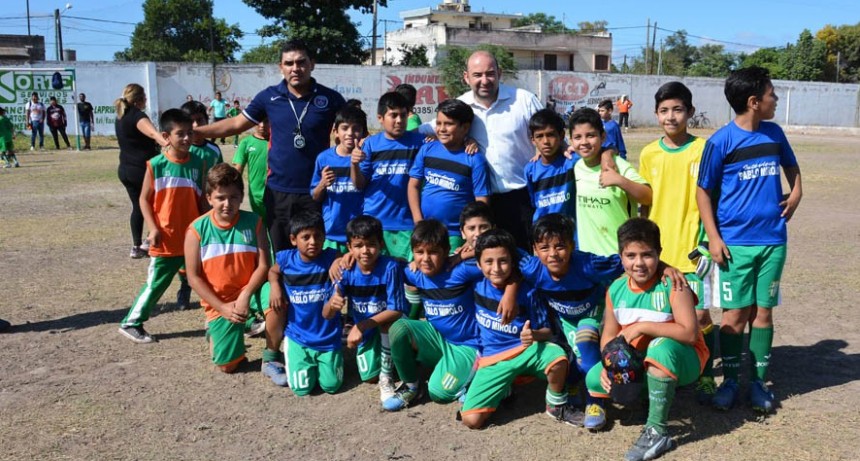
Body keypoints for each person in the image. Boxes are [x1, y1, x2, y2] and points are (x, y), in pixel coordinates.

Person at [696, 66, 802, 414]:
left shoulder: (774, 133)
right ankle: (729, 383)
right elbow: (703, 192)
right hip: (735, 244)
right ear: (754, 101)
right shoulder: (720, 142)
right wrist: (713, 237)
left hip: (773, 240)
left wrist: (797, 192)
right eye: (772, 94)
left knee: (764, 312)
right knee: (733, 316)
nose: (776, 99)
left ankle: (757, 383)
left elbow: (792, 168)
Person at [193, 40, 345, 254]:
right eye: (289, 63)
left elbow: (352, 130)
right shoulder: (269, 97)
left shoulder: (330, 98)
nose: (295, 68)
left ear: (312, 64)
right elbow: (236, 124)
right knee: (281, 254)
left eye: (301, 62)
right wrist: (198, 132)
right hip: (278, 192)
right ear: (280, 67)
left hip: (317, 190)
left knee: (314, 254)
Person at [585, 218, 706, 461]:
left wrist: (643, 327)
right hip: (639, 359)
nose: (639, 263)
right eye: (630, 255)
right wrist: (610, 364)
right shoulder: (616, 289)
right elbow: (609, 335)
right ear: (621, 257)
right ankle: (647, 396)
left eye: (647, 255)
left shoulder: (672, 283)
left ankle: (657, 431)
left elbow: (690, 333)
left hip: (685, 358)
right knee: (593, 378)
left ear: (659, 254)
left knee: (659, 348)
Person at [638, 81, 717, 405]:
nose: (671, 116)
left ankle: (707, 373)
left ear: (690, 112)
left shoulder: (704, 150)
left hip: (693, 251)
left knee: (700, 317)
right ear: (657, 114)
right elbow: (645, 203)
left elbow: (714, 197)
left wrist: (709, 239)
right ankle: (674, 366)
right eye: (664, 110)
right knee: (669, 318)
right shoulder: (648, 153)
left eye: (678, 109)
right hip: (661, 253)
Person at [419, 51, 542, 250]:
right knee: (487, 263)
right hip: (480, 201)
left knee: (523, 258)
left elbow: (551, 131)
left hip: (521, 198)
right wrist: (372, 141)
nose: (484, 80)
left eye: (490, 73)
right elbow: (428, 129)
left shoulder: (523, 100)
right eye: (477, 75)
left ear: (499, 73)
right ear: (466, 77)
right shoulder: (461, 106)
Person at [460, 229, 579, 429]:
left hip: (526, 350)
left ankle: (556, 404)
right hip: (493, 358)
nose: (496, 268)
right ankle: (504, 388)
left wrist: (533, 335)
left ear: (513, 263)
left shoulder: (528, 291)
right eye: (489, 262)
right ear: (478, 264)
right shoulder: (474, 283)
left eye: (503, 261)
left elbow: (548, 331)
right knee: (471, 421)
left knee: (557, 357)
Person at [184, 163, 286, 376]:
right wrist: (221, 307)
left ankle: (271, 357)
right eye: (220, 197)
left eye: (233, 197)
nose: (227, 203)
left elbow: (263, 265)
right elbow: (193, 278)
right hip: (220, 300)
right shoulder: (196, 230)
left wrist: (246, 295)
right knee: (227, 366)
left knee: (276, 300)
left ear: (241, 196)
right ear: (209, 198)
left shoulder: (254, 222)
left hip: (252, 291)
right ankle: (219, 329)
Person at [118, 109, 207, 344]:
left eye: (190, 133)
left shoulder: (198, 162)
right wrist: (153, 229)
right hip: (166, 239)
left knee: (212, 278)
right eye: (181, 134)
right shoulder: (155, 165)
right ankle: (131, 322)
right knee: (157, 284)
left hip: (192, 237)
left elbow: (202, 200)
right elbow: (144, 200)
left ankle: (234, 318)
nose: (187, 138)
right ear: (166, 136)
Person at [382, 219, 485, 411]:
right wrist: (341, 259)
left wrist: (464, 255)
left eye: (433, 252)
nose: (426, 259)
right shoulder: (415, 273)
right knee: (398, 328)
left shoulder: (461, 271)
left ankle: (479, 377)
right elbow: (383, 264)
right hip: (436, 337)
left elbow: (500, 256)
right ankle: (411, 386)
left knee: (439, 393)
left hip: (467, 345)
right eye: (420, 252)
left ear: (446, 252)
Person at [325, 216, 408, 402]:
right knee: (369, 377)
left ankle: (386, 377)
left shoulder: (390, 267)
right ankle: (388, 359)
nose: (365, 251)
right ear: (349, 247)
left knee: (388, 322)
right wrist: (333, 304)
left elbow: (395, 310)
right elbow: (327, 313)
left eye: (371, 244)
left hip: (389, 323)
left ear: (381, 244)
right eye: (358, 245)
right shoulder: (345, 269)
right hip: (367, 329)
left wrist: (360, 326)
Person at [268, 212, 343, 396]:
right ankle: (293, 352)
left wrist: (339, 260)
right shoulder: (286, 259)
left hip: (328, 336)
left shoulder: (331, 257)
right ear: (294, 240)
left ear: (324, 237)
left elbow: (348, 259)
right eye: (306, 237)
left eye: (318, 236)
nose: (313, 242)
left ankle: (325, 361)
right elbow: (272, 271)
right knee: (301, 390)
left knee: (331, 386)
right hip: (298, 336)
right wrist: (275, 286)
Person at [407, 99, 490, 249]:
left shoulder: (474, 159)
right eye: (438, 124)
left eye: (449, 124)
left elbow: (481, 200)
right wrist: (418, 222)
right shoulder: (427, 150)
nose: (442, 129)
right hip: (426, 230)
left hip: (455, 235)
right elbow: (413, 186)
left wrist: (471, 236)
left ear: (465, 127)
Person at [352, 92, 425, 260]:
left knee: (408, 277)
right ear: (380, 118)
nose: (399, 120)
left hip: (407, 223)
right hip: (375, 222)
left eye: (403, 115)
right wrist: (354, 164)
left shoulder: (419, 142)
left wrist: (467, 142)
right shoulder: (370, 144)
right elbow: (359, 184)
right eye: (393, 115)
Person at [570, 108, 651, 256]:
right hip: (588, 258)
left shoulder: (618, 166)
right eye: (577, 137)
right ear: (571, 141)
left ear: (603, 137)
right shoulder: (576, 166)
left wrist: (619, 180)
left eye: (590, 136)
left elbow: (647, 196)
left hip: (620, 257)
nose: (584, 142)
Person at [115, 83, 170, 259]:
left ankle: (136, 246)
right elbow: (154, 134)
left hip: (125, 169)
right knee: (154, 204)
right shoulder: (137, 116)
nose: (146, 100)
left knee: (138, 206)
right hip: (140, 170)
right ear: (139, 100)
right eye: (144, 97)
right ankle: (149, 241)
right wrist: (169, 143)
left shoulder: (121, 116)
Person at [311, 105, 367, 254]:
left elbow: (362, 186)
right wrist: (323, 184)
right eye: (345, 128)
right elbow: (315, 196)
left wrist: (355, 164)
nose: (350, 133)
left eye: (356, 129)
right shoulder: (324, 158)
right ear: (335, 131)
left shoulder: (366, 158)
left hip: (359, 234)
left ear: (364, 132)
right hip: (331, 234)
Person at [524, 109, 577, 222]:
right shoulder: (530, 169)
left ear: (561, 136)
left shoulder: (572, 161)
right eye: (539, 136)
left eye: (550, 135)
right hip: (543, 233)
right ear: (533, 140)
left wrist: (609, 152)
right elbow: (534, 203)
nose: (546, 141)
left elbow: (602, 152)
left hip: (569, 233)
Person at [232, 120, 270, 221]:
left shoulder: (277, 141)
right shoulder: (246, 142)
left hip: (276, 193)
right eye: (259, 121)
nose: (262, 125)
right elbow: (237, 170)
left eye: (266, 121)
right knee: (260, 225)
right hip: (256, 195)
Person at [182, 100, 223, 167]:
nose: (196, 125)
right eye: (190, 121)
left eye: (199, 120)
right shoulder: (180, 150)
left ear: (206, 121)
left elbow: (220, 174)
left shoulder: (214, 150)